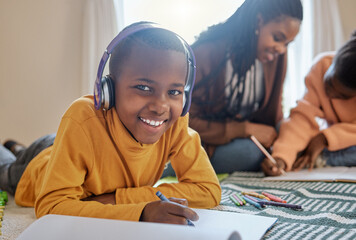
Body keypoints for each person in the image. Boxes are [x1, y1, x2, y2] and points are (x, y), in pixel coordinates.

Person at [0, 22, 221, 225]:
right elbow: (51, 207)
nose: (161, 106)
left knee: (36, 147)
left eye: (174, 92)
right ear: (108, 90)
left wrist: (117, 199)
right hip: (41, 165)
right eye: (144, 87)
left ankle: (18, 147)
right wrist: (141, 212)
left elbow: (209, 190)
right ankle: (15, 151)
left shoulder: (174, 123)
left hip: (67, 145)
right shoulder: (82, 117)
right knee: (6, 169)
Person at [169, 0, 303, 175]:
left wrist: (280, 155)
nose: (281, 49)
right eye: (278, 38)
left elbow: (274, 114)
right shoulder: (207, 54)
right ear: (259, 21)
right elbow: (182, 121)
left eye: (287, 44)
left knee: (289, 133)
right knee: (249, 153)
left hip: (245, 139)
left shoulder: (276, 59)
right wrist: (243, 129)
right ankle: (174, 166)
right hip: (205, 140)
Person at [262, 31, 356, 176]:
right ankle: (303, 154)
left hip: (346, 141)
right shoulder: (321, 65)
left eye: (342, 96)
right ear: (333, 62)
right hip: (329, 140)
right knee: (283, 128)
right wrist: (282, 156)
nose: (330, 94)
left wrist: (325, 138)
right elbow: (303, 117)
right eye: (329, 83)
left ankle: (320, 158)